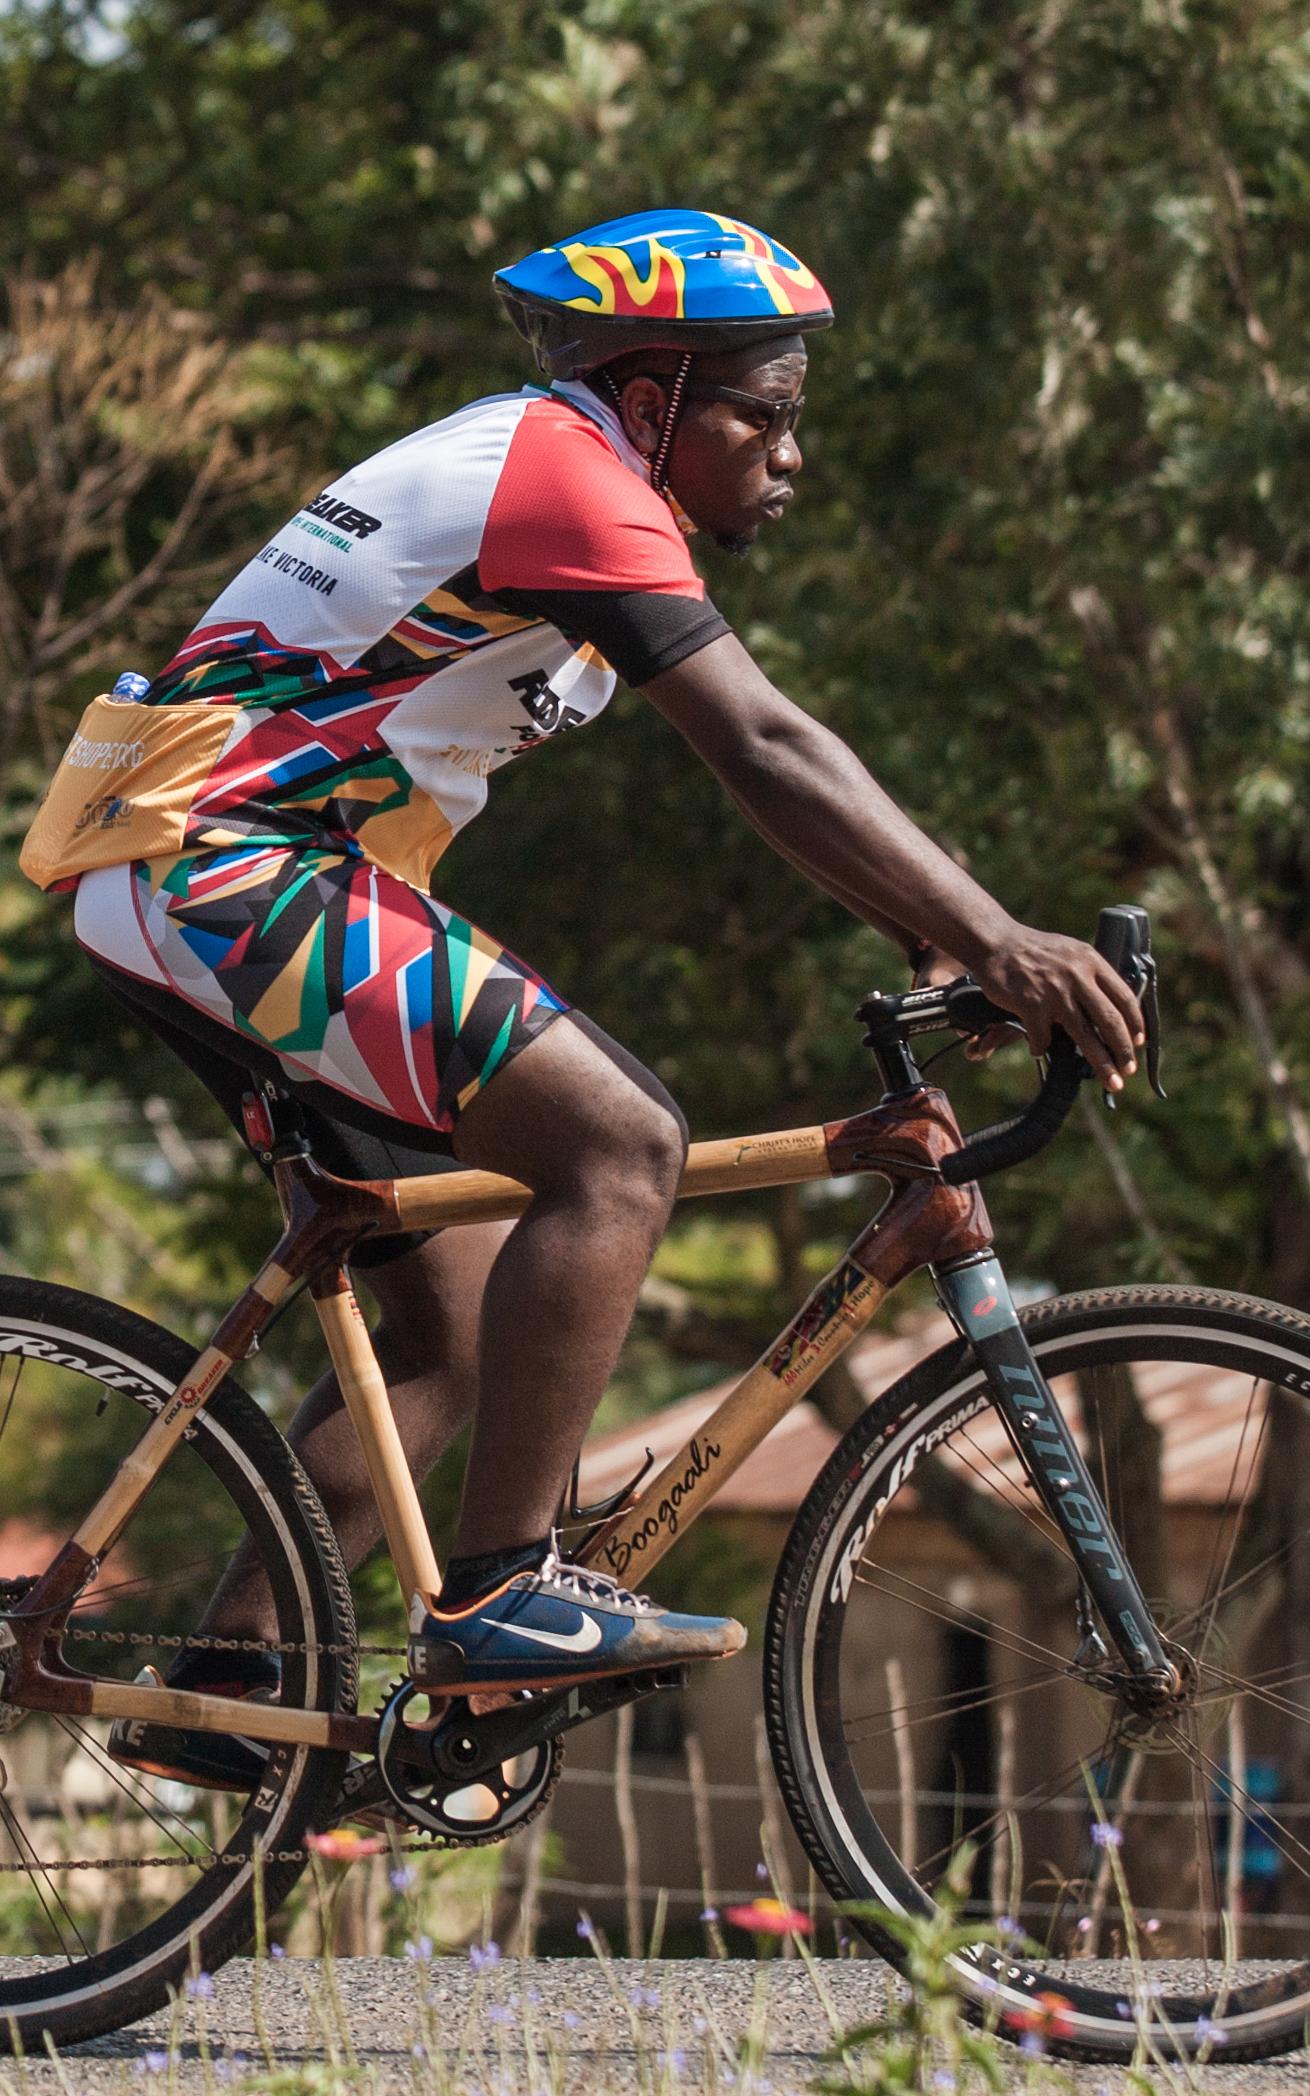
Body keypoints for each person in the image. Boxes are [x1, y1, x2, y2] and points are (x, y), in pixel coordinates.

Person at [31, 208, 1143, 1789]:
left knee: (467, 1340)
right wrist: (993, 930)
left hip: (220, 871)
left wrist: (933, 929)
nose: (787, 455)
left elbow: (769, 764)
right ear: (646, 400)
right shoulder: (563, 470)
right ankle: (498, 1601)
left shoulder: (551, 469)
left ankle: (231, 1675)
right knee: (622, 1149)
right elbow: (761, 746)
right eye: (759, 412)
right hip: (223, 866)